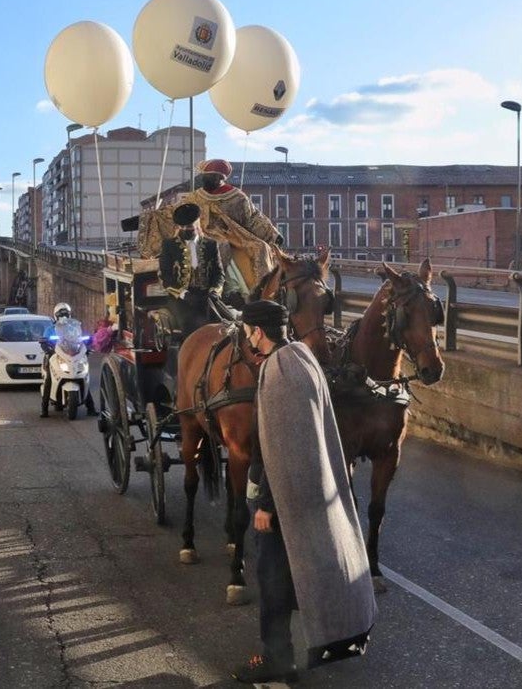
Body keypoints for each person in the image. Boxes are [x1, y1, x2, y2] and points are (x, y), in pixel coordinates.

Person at [234, 300, 376, 684]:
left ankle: (277, 660)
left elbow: (279, 444)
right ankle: (299, 649)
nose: (248, 339)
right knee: (298, 575)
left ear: (257, 332)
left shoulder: (278, 371)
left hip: (283, 502)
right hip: (304, 497)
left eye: (248, 332)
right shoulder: (301, 355)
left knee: (273, 580)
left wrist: (265, 504)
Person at [184, 159, 281, 307]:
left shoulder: (237, 196)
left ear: (218, 178)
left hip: (235, 236)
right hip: (202, 235)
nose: (202, 179)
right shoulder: (195, 197)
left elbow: (253, 217)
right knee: (219, 246)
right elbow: (175, 211)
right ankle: (227, 290)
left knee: (261, 247)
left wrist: (273, 234)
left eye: (206, 176)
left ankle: (262, 292)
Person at [159, 202, 229, 332]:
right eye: (183, 226)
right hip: (180, 299)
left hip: (206, 296)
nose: (187, 229)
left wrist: (215, 291)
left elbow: (219, 273)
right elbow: (165, 277)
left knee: (226, 324)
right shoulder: (169, 245)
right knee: (190, 323)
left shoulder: (211, 244)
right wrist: (183, 294)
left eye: (190, 226)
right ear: (178, 226)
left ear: (197, 223)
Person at [40, 302, 96, 418]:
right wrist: (48, 348)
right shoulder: (51, 329)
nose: (63, 316)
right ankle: (44, 408)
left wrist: (87, 345)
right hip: (56, 356)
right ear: (56, 315)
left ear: (70, 314)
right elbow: (44, 341)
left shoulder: (74, 328)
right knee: (49, 380)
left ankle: (91, 408)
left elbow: (82, 338)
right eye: (61, 314)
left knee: (83, 377)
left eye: (65, 313)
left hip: (72, 355)